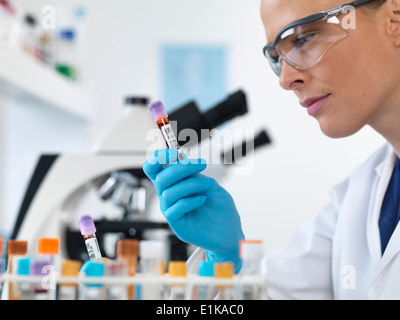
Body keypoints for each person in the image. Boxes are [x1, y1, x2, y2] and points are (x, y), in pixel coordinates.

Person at [143, 0, 400, 299]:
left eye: (304, 39)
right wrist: (226, 261)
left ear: (394, 16)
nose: (286, 79)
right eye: (277, 57)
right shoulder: (355, 200)